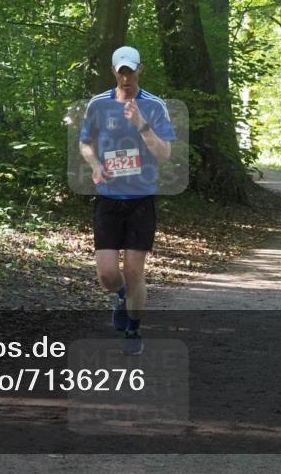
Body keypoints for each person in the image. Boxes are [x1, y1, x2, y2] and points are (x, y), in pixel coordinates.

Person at [79, 46, 176, 356]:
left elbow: (165, 154)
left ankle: (133, 329)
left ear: (140, 70)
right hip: (108, 200)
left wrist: (141, 124)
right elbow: (84, 144)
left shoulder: (155, 106)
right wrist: (95, 165)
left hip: (140, 199)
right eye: (121, 71)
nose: (126, 77)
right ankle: (121, 294)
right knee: (108, 275)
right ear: (113, 72)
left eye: (130, 71)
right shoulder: (97, 105)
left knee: (135, 270)